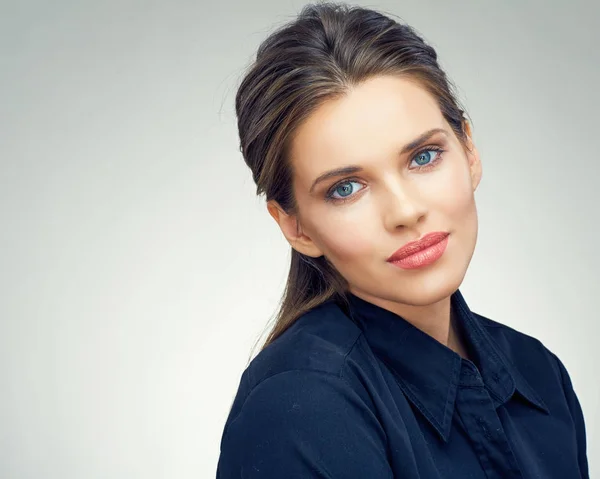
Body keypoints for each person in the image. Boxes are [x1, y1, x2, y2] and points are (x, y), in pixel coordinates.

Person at [216, 2, 589, 477]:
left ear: (469, 150)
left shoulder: (539, 373)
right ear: (296, 227)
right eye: (345, 188)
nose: (406, 211)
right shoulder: (302, 405)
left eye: (424, 157)